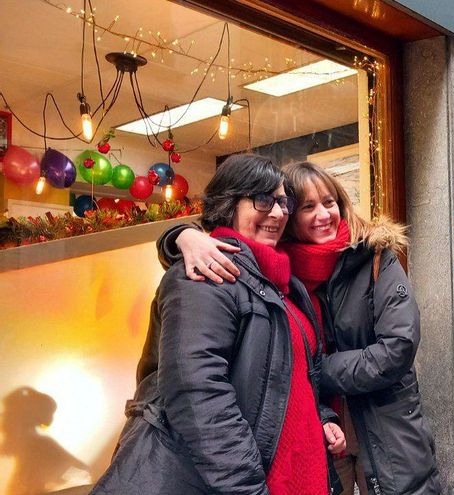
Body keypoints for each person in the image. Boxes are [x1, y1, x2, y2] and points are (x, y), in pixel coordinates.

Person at [157, 161, 443, 495]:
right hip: (312, 439)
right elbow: (197, 388)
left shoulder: (372, 258)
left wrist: (315, 372)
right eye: (306, 206)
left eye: (329, 202)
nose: (322, 214)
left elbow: (398, 346)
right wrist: (181, 236)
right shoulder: (276, 272)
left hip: (383, 426)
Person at [93, 154, 344, 494]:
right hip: (229, 482)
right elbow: (197, 394)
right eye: (262, 199)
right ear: (229, 202)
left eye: (283, 202)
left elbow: (289, 377)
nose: (277, 212)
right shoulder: (204, 274)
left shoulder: (283, 283)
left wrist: (322, 417)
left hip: (294, 474)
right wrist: (246, 487)